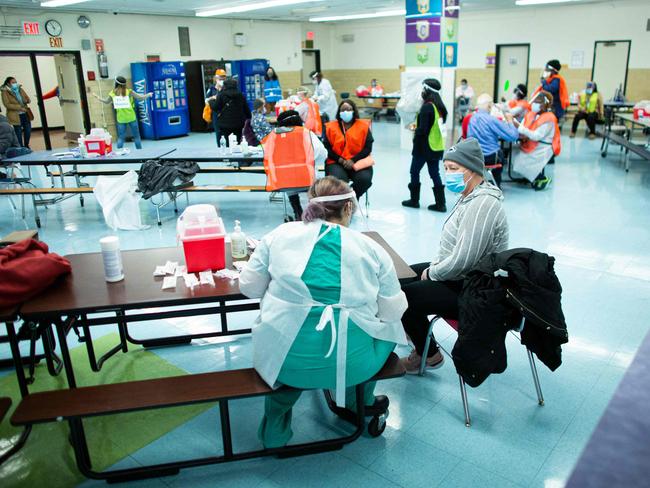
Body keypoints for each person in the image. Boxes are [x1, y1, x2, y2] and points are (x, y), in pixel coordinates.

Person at [239, 176, 408, 448]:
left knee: (283, 351)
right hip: (351, 365)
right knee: (392, 328)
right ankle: (359, 403)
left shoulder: (278, 236)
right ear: (349, 208)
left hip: (283, 362)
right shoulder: (372, 249)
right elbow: (391, 310)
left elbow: (249, 288)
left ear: (310, 204)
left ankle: (275, 429)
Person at [399, 138, 509, 373]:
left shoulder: (483, 204)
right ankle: (416, 333)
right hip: (459, 275)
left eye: (454, 169)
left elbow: (464, 260)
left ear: (473, 169)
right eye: (446, 168)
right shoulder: (470, 195)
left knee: (403, 297)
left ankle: (428, 354)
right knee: (399, 277)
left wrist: (432, 273)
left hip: (473, 287)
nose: (449, 174)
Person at [262, 109, 327, 220]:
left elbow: (268, 157)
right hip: (306, 179)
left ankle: (297, 209)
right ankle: (310, 212)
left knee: (288, 180)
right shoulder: (306, 133)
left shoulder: (272, 137)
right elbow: (323, 154)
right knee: (312, 180)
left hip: (281, 181)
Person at [402, 78, 448, 212]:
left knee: (414, 171)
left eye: (423, 89)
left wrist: (413, 128)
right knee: (435, 174)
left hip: (423, 147)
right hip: (436, 147)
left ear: (427, 90)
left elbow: (423, 130)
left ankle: (414, 201)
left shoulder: (427, 106)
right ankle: (441, 204)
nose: (421, 92)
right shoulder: (439, 107)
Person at [323, 100, 374, 200]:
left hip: (359, 161)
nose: (346, 112)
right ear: (339, 112)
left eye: (349, 109)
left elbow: (368, 148)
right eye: (343, 110)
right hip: (336, 162)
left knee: (364, 180)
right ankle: (343, 202)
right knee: (339, 182)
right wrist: (340, 160)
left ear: (354, 111)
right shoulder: (330, 127)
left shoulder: (363, 126)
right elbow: (326, 149)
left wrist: (353, 160)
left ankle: (352, 198)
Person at [467, 93, 519, 187]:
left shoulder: (472, 119)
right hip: (490, 158)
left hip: (474, 157)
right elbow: (513, 136)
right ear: (490, 106)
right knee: (502, 156)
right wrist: (510, 121)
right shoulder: (491, 120)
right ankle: (496, 185)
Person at [513, 90, 561, 191]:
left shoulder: (549, 118)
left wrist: (520, 128)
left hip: (543, 147)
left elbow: (536, 136)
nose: (534, 104)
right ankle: (531, 177)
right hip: (532, 142)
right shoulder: (534, 114)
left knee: (521, 162)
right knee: (515, 154)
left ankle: (541, 179)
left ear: (544, 104)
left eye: (537, 102)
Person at [92, 76, 152, 150]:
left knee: (121, 137)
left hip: (121, 119)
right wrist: (148, 95)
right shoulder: (129, 91)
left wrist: (98, 97)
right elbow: (140, 98)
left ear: (116, 83)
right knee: (136, 136)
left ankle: (119, 152)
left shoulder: (112, 93)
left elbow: (106, 101)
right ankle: (139, 153)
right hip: (131, 117)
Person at [210, 78, 251, 146]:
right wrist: (248, 118)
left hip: (224, 124)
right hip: (239, 123)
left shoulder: (221, 95)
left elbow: (215, 107)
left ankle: (228, 154)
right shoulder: (240, 95)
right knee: (238, 141)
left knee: (226, 142)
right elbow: (246, 109)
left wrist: (211, 101)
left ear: (225, 85)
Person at [1, 77, 32, 148]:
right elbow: (7, 104)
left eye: (15, 82)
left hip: (25, 114)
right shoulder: (4, 92)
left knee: (28, 130)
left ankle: (26, 145)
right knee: (18, 132)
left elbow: (27, 98)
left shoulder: (20, 89)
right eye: (13, 82)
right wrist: (19, 108)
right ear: (8, 84)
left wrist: (26, 100)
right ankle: (20, 147)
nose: (15, 84)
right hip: (15, 115)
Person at [206, 69, 227, 142]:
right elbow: (206, 100)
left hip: (225, 112)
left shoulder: (227, 88)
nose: (222, 79)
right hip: (215, 113)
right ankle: (220, 147)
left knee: (227, 131)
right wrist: (212, 97)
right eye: (220, 77)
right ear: (216, 78)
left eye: (224, 78)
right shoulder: (211, 88)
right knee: (218, 132)